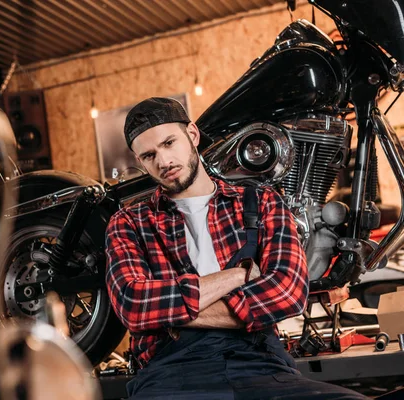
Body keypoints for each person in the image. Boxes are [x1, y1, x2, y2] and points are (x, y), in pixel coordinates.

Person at [104, 97, 368, 399]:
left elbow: (288, 293)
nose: (163, 162)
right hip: (171, 376)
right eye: (149, 155)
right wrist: (238, 276)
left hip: (261, 368)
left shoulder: (262, 202)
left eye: (169, 143)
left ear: (192, 134)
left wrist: (168, 313)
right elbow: (134, 306)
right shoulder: (129, 223)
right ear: (139, 162)